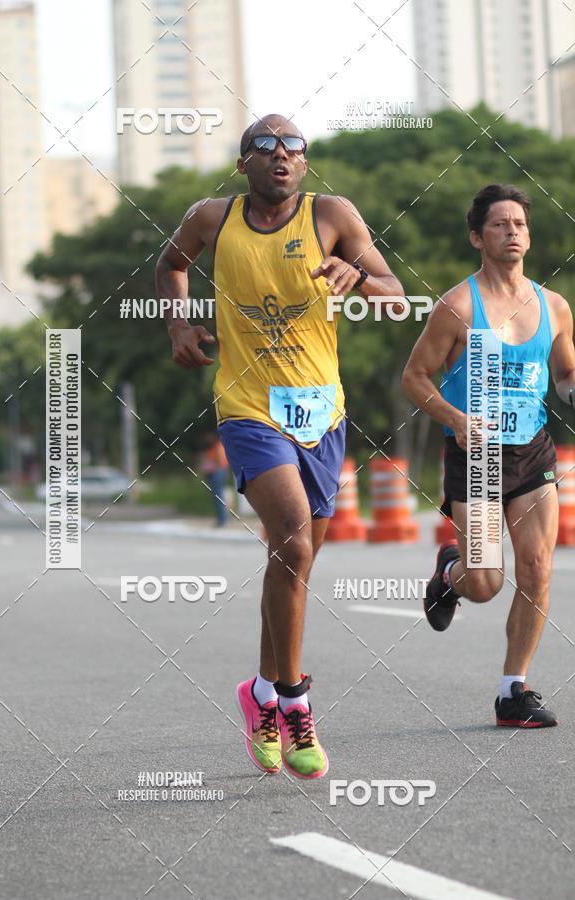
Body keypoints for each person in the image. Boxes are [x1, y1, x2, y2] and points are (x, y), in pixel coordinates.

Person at [156, 113, 404, 778]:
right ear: (245, 165)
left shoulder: (333, 216)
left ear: (304, 162)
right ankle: (294, 702)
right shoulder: (212, 217)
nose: (282, 158)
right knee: (292, 539)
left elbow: (396, 294)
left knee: (296, 560)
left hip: (322, 413)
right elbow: (170, 264)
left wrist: (362, 281)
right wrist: (178, 325)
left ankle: (260, 690)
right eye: (266, 149)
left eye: (294, 148)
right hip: (247, 409)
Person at [402, 183, 575, 728]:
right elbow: (414, 377)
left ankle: (512, 691)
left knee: (538, 568)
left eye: (520, 224)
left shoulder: (553, 306)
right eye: (500, 224)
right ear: (478, 237)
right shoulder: (457, 307)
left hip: (532, 451)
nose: (513, 232)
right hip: (474, 459)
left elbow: (566, 374)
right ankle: (450, 573)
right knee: (485, 583)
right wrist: (455, 420)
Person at [198, 432, 229, 527]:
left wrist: (209, 465)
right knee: (217, 497)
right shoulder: (212, 448)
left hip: (217, 473)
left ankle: (222, 520)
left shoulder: (218, 446)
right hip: (215, 473)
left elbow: (220, 462)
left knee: (218, 497)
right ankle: (221, 519)